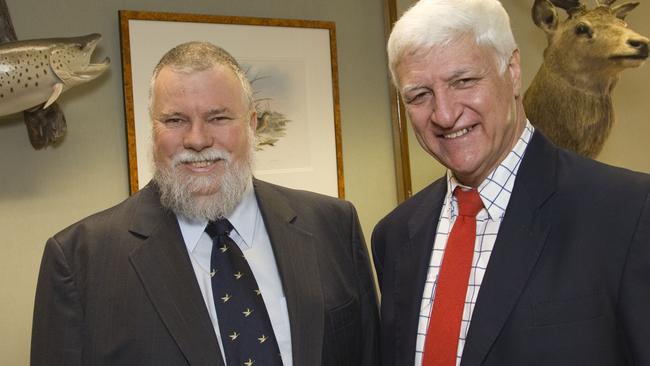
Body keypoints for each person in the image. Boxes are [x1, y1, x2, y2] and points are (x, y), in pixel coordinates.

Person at [31, 41, 379, 366]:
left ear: (252, 125)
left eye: (218, 118)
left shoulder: (332, 224)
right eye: (175, 120)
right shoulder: (80, 260)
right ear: (152, 131)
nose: (197, 139)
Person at [372, 0, 650, 365]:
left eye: (464, 81)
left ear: (513, 71)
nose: (444, 114)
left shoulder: (630, 213)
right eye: (420, 95)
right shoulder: (395, 235)